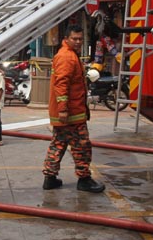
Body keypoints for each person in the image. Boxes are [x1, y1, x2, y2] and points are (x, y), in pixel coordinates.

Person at [42, 24, 105, 193]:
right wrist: (63, 109)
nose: (77, 42)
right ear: (66, 39)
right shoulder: (67, 57)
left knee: (59, 143)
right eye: (74, 39)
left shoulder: (67, 55)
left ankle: (50, 178)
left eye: (79, 39)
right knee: (81, 145)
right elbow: (61, 85)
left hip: (65, 112)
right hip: (71, 113)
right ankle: (84, 179)